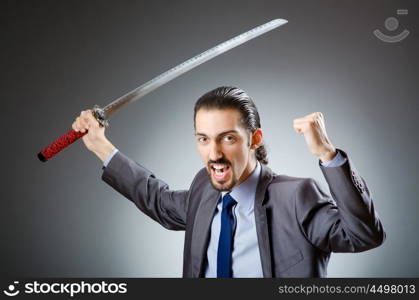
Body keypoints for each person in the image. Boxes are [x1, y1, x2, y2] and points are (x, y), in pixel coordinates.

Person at [72, 86, 385, 278]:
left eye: (228, 138)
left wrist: (327, 154)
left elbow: (363, 236)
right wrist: (100, 145)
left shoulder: (296, 196)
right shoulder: (203, 190)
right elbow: (158, 200)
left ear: (254, 139)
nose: (214, 154)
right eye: (204, 139)